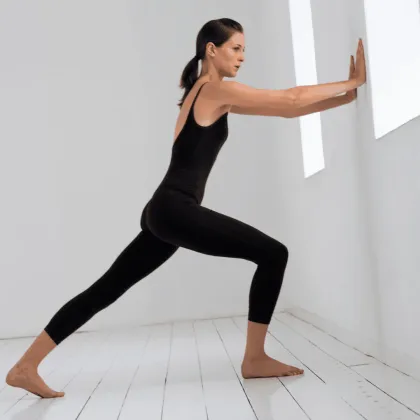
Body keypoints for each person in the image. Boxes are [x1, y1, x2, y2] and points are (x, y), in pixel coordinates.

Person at [5, 18, 366, 399]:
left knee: (105, 289)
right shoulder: (213, 90)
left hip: (162, 210)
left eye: (244, 49)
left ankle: (25, 366)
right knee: (274, 254)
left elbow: (286, 111)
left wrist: (341, 99)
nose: (243, 57)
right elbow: (290, 97)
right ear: (212, 49)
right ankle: (255, 357)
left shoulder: (202, 91)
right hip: (175, 209)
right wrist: (351, 82)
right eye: (236, 48)